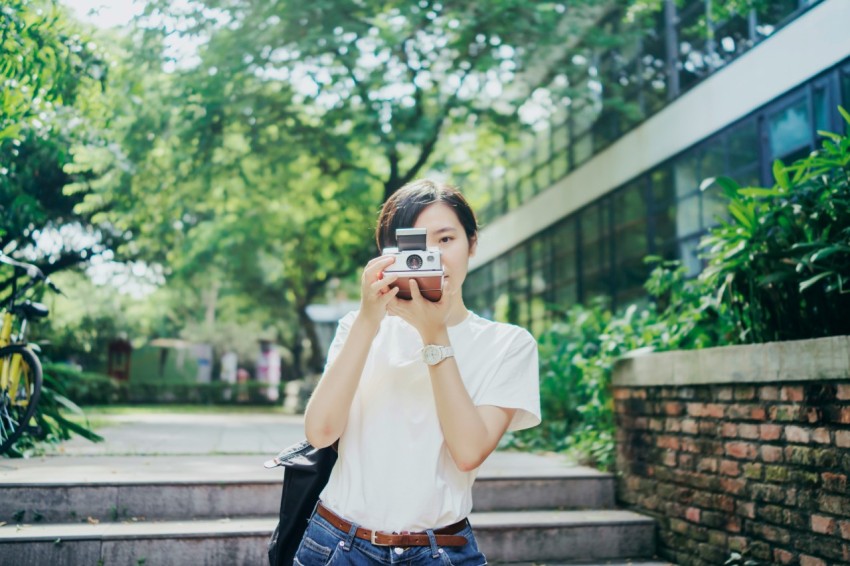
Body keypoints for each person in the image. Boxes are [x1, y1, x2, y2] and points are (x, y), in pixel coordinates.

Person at [298, 179, 541, 565]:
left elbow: (468, 452)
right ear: (388, 255)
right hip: (338, 543)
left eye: (445, 240)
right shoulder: (359, 326)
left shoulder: (508, 344)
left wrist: (434, 333)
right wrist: (368, 320)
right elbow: (321, 432)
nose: (431, 257)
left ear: (472, 244)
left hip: (441, 549)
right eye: (414, 244)